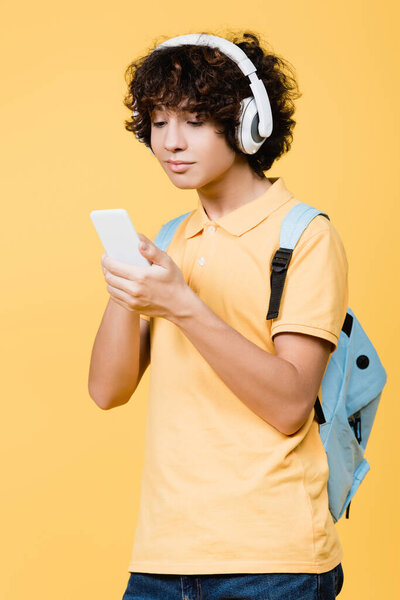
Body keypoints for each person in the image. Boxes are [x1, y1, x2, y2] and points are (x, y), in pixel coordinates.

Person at [88, 30, 346, 599]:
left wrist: (183, 305)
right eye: (158, 122)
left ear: (249, 124)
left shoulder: (304, 235)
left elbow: (288, 404)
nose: (171, 143)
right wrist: (123, 290)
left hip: (273, 563)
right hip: (162, 557)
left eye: (194, 121)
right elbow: (108, 391)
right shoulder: (170, 240)